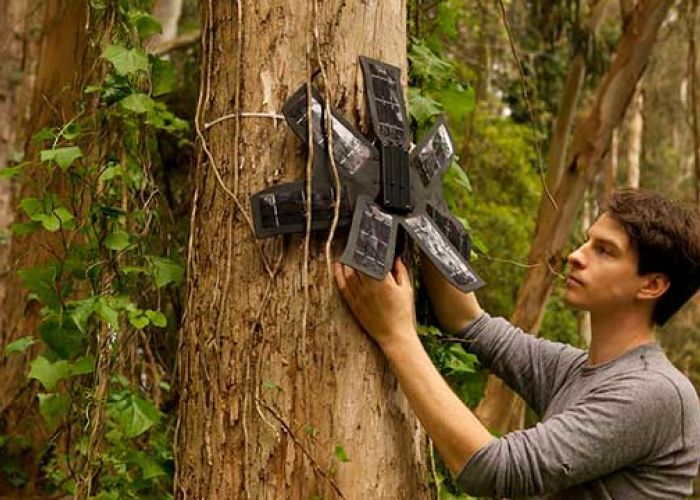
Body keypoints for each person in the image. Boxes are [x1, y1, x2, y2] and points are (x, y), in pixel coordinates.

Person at [333, 189, 700, 498]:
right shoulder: (576, 370)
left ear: (651, 285)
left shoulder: (654, 393)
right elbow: (470, 324)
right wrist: (419, 205)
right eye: (587, 241)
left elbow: (493, 469)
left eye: (604, 250)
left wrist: (396, 336)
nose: (576, 255)